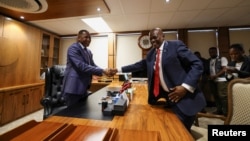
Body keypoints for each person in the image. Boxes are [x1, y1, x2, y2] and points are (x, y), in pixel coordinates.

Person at [111, 28, 206, 131]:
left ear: (163, 36)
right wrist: (117, 69)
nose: (152, 41)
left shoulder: (175, 45)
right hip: (169, 101)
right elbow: (138, 65)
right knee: (163, 128)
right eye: (151, 39)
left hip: (185, 100)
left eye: (155, 37)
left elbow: (197, 64)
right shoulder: (151, 54)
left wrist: (185, 87)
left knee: (178, 133)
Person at [62, 29, 113, 107]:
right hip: (73, 88)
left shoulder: (88, 51)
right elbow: (81, 66)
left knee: (82, 114)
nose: (88, 40)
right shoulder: (73, 48)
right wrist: (103, 71)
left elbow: (92, 65)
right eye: (86, 37)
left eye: (90, 38)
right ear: (79, 38)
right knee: (72, 115)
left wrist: (104, 72)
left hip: (84, 87)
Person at [206, 47, 228, 115]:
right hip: (211, 80)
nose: (211, 53)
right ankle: (219, 110)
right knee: (215, 96)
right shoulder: (208, 60)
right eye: (210, 52)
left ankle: (226, 112)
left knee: (223, 96)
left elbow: (224, 69)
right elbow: (207, 70)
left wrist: (216, 75)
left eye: (213, 52)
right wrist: (209, 76)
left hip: (221, 80)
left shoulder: (222, 58)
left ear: (216, 51)